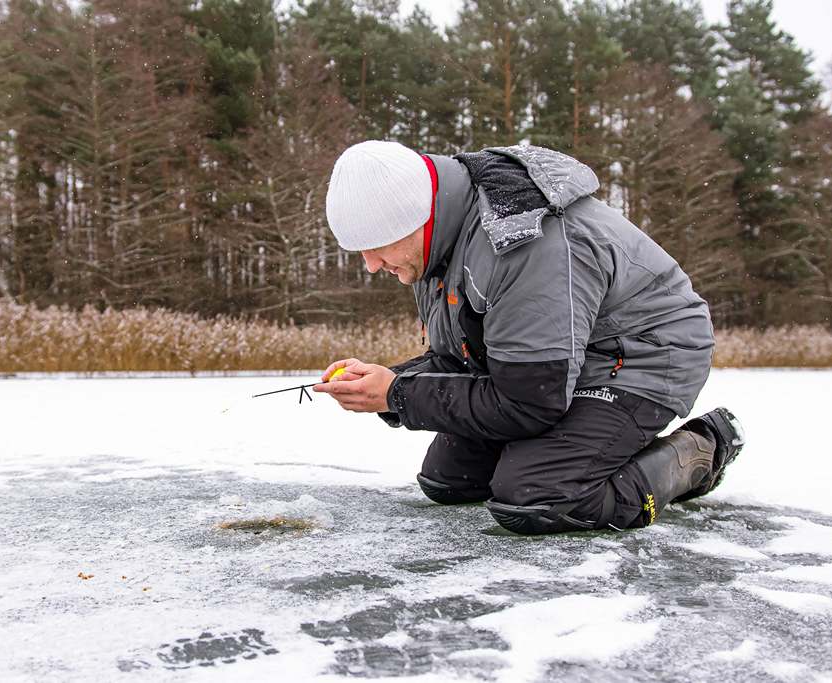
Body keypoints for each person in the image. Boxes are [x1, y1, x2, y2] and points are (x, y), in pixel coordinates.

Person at [313, 140, 744, 535]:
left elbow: (531, 402)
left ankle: (699, 449)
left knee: (540, 497)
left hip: (638, 357)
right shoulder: (435, 248)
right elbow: (462, 358)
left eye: (377, 245)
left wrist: (398, 395)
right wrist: (388, 379)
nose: (371, 265)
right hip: (556, 368)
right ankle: (585, 443)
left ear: (418, 217)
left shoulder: (521, 240)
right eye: (360, 251)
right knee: (451, 481)